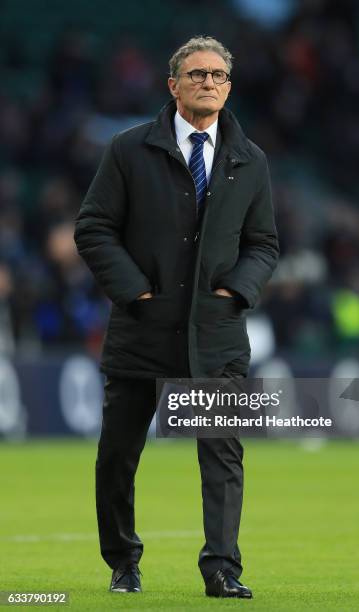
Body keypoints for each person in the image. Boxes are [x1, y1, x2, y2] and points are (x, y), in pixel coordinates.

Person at [74, 35, 279, 599]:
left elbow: (263, 243)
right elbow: (93, 227)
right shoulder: (128, 149)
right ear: (173, 85)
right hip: (142, 329)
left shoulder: (250, 159)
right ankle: (123, 562)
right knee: (118, 454)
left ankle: (221, 568)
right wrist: (134, 291)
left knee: (222, 453)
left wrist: (236, 291)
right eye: (195, 74)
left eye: (217, 75)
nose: (207, 82)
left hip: (215, 334)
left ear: (229, 86)